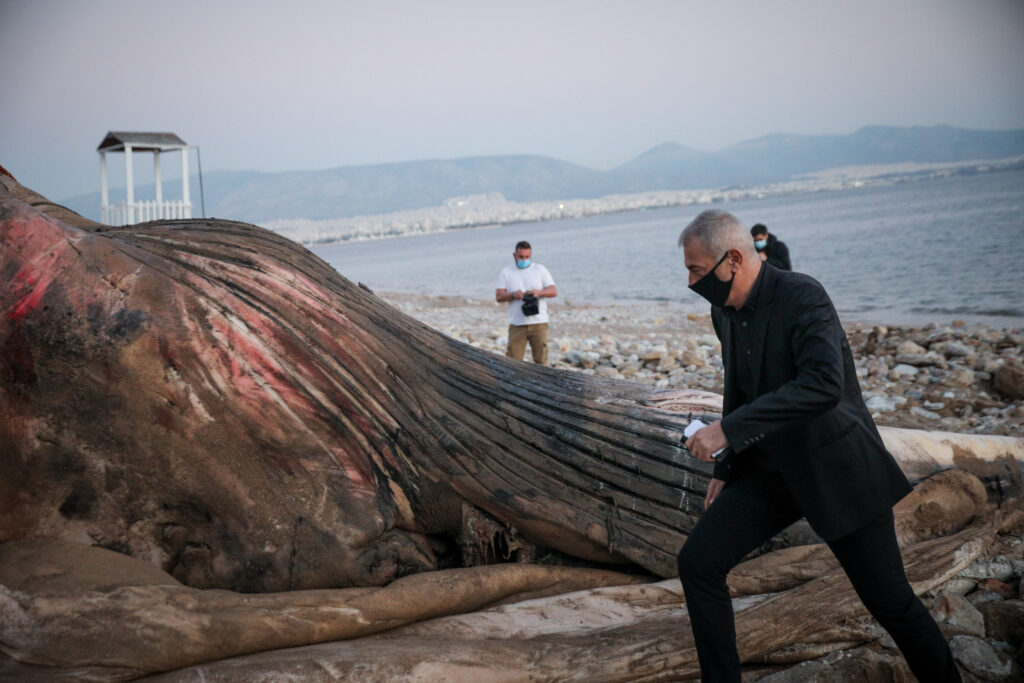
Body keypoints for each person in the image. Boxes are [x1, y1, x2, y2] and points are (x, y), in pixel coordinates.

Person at [676, 210, 960, 682]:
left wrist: (727, 431)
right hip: (768, 471)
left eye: (696, 271)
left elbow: (824, 385)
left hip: (838, 468)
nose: (690, 282)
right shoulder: (721, 311)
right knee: (699, 563)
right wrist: (726, 469)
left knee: (891, 603)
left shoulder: (802, 295)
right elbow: (739, 389)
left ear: (733, 259)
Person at [495, 240, 557, 364]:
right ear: (515, 255)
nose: (524, 259)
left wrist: (537, 293)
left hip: (539, 322)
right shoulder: (506, 272)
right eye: (521, 257)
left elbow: (553, 291)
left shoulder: (540, 269)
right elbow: (499, 296)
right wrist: (513, 295)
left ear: (531, 255)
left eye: (527, 257)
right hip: (517, 323)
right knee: (513, 362)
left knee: (541, 361)